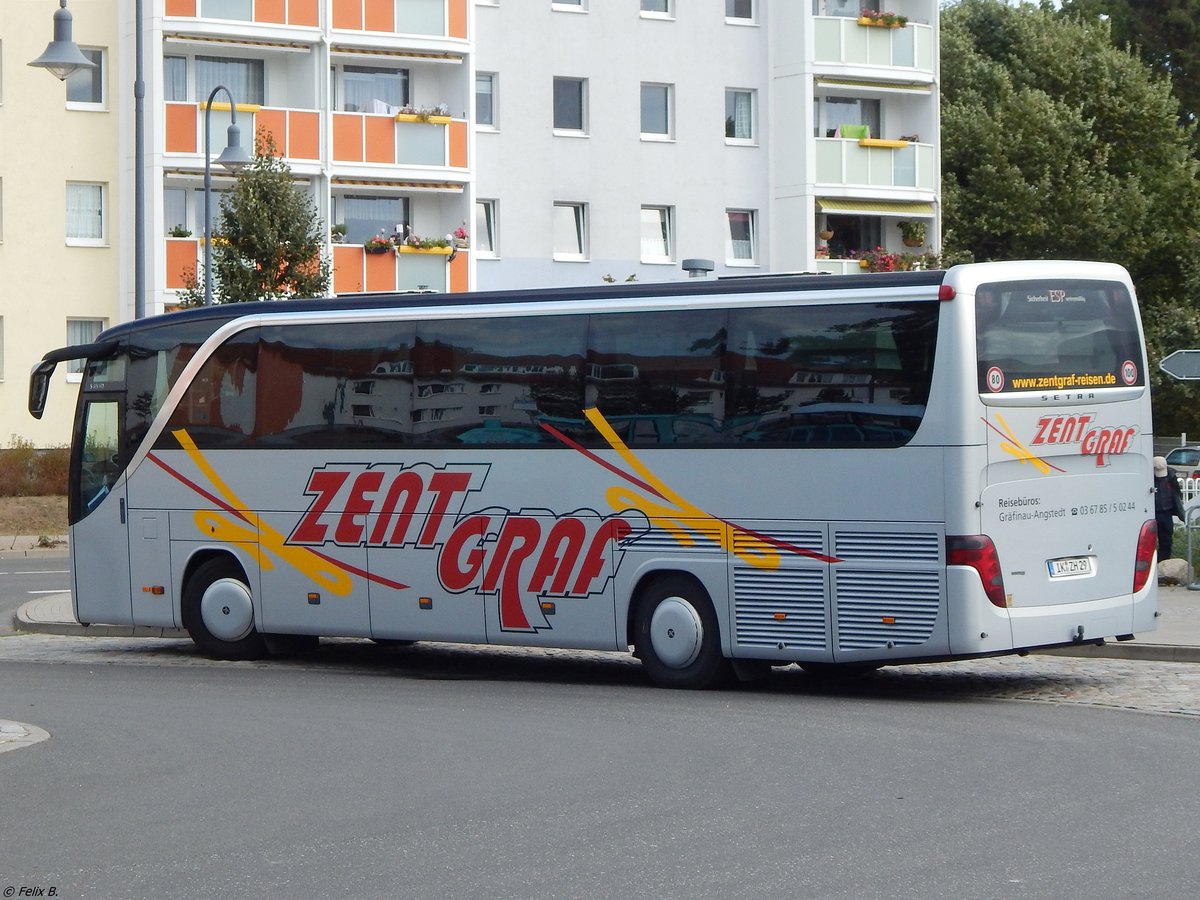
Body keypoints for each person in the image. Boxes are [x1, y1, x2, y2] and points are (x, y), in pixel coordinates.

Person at [1154, 456, 1186, 558]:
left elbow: (1177, 493)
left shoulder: (1171, 476)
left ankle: (1163, 561)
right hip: (1152, 512)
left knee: (1166, 539)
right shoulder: (1147, 477)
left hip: (1166, 512)